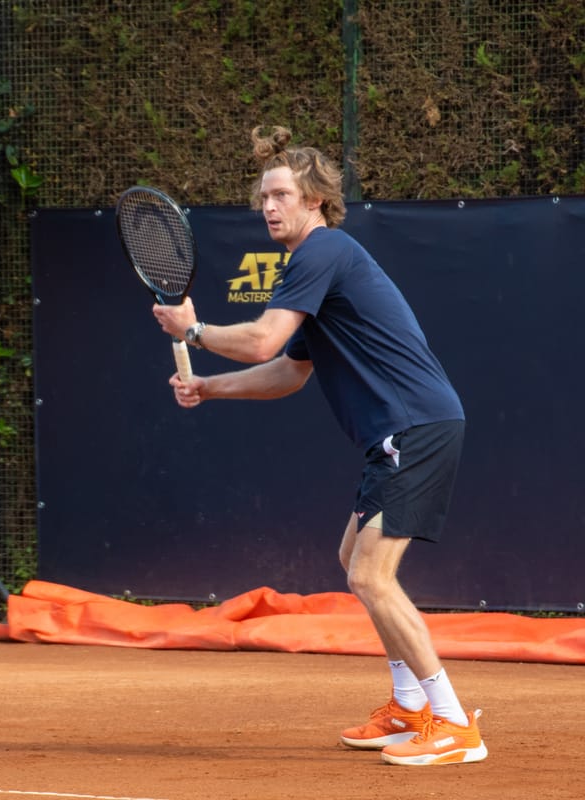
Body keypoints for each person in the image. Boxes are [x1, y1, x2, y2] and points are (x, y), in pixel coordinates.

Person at [151, 125, 487, 766]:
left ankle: (452, 722)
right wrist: (209, 389)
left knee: (370, 572)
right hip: (397, 433)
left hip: (415, 426)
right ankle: (409, 706)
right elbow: (288, 370)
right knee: (351, 557)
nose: (269, 208)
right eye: (264, 199)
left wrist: (193, 328)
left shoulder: (322, 250)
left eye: (281, 195)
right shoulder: (314, 266)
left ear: (316, 202)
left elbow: (261, 341)